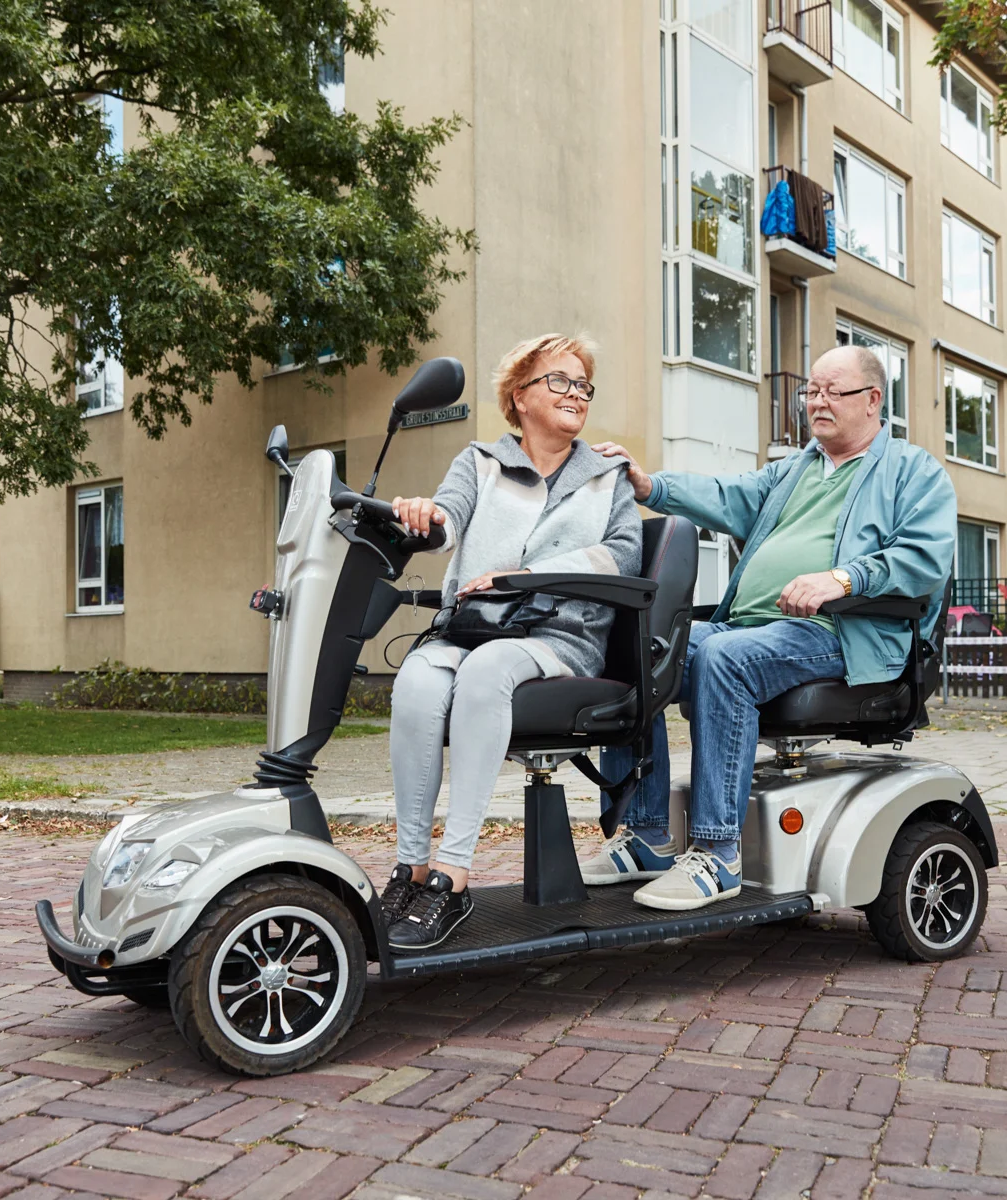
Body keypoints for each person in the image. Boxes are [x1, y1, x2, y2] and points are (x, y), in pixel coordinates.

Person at [588, 344, 955, 911]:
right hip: (750, 627)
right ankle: (648, 837)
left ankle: (717, 856)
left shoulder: (913, 471)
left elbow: (924, 560)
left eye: (834, 391)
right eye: (811, 391)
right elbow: (727, 497)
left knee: (724, 658)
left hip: (843, 635)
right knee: (639, 650)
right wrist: (649, 487)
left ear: (873, 400)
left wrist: (843, 578)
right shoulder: (794, 471)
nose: (817, 401)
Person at [382, 334, 643, 950]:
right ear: (519, 397)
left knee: (487, 671)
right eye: (560, 381)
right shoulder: (479, 461)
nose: (576, 393)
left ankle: (453, 873)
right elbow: (448, 518)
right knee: (417, 677)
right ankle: (410, 866)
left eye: (583, 384)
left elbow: (627, 553)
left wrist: (528, 576)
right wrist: (424, 516)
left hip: (562, 636)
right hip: (476, 626)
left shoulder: (608, 476)